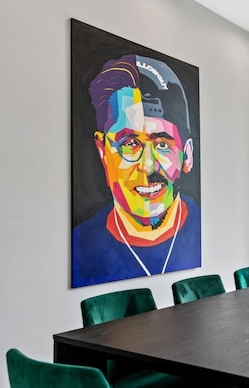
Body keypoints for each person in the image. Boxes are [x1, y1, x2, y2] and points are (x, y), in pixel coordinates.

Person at [72, 54, 200, 288]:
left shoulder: (208, 231)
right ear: (103, 153)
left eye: (162, 145)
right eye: (130, 144)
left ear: (187, 155)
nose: (148, 165)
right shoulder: (80, 249)